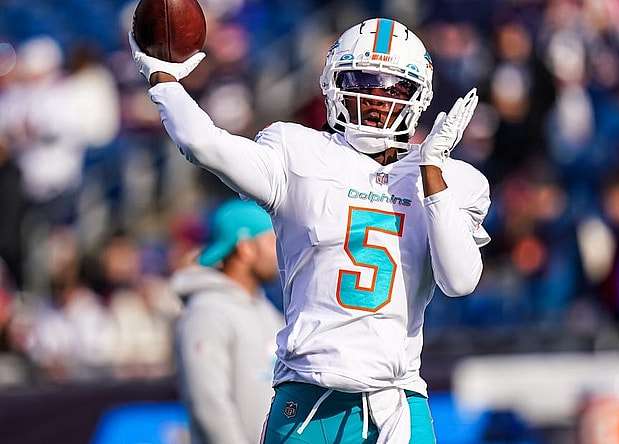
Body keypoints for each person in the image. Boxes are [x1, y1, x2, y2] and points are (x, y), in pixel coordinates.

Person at [129, 17, 490, 443]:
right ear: (333, 83)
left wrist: (432, 173)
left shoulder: (451, 179)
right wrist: (164, 80)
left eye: (393, 87)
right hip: (307, 398)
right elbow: (203, 144)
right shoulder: (297, 151)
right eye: (362, 80)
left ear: (419, 96)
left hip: (396, 404)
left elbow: (459, 281)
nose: (376, 97)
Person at [171, 198, 284, 444]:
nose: (278, 250)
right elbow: (209, 404)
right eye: (270, 240)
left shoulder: (266, 310)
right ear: (245, 248)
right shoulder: (206, 313)